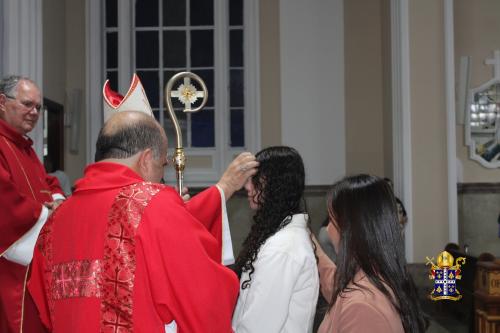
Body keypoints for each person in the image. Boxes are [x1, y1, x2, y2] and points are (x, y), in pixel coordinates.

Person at [28, 74, 259, 332]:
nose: (161, 177)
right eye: (162, 166)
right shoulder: (152, 203)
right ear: (147, 158)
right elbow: (204, 299)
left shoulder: (55, 220)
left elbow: (42, 308)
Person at [316, 174, 427, 333]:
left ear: (354, 230)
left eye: (332, 221)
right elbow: (336, 286)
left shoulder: (361, 308)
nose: (327, 229)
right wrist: (312, 246)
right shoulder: (374, 274)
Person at [0, 75, 65, 333]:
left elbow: (46, 181)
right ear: (2, 102)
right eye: (27, 104)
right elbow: (6, 202)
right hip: (12, 268)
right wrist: (46, 213)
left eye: (38, 107)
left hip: (38, 262)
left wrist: (58, 200)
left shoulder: (24, 146)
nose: (35, 112)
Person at [232, 146, 319, 333]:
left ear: (275, 186)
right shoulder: (281, 238)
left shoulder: (282, 248)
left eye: (254, 180)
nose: (247, 187)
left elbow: (258, 328)